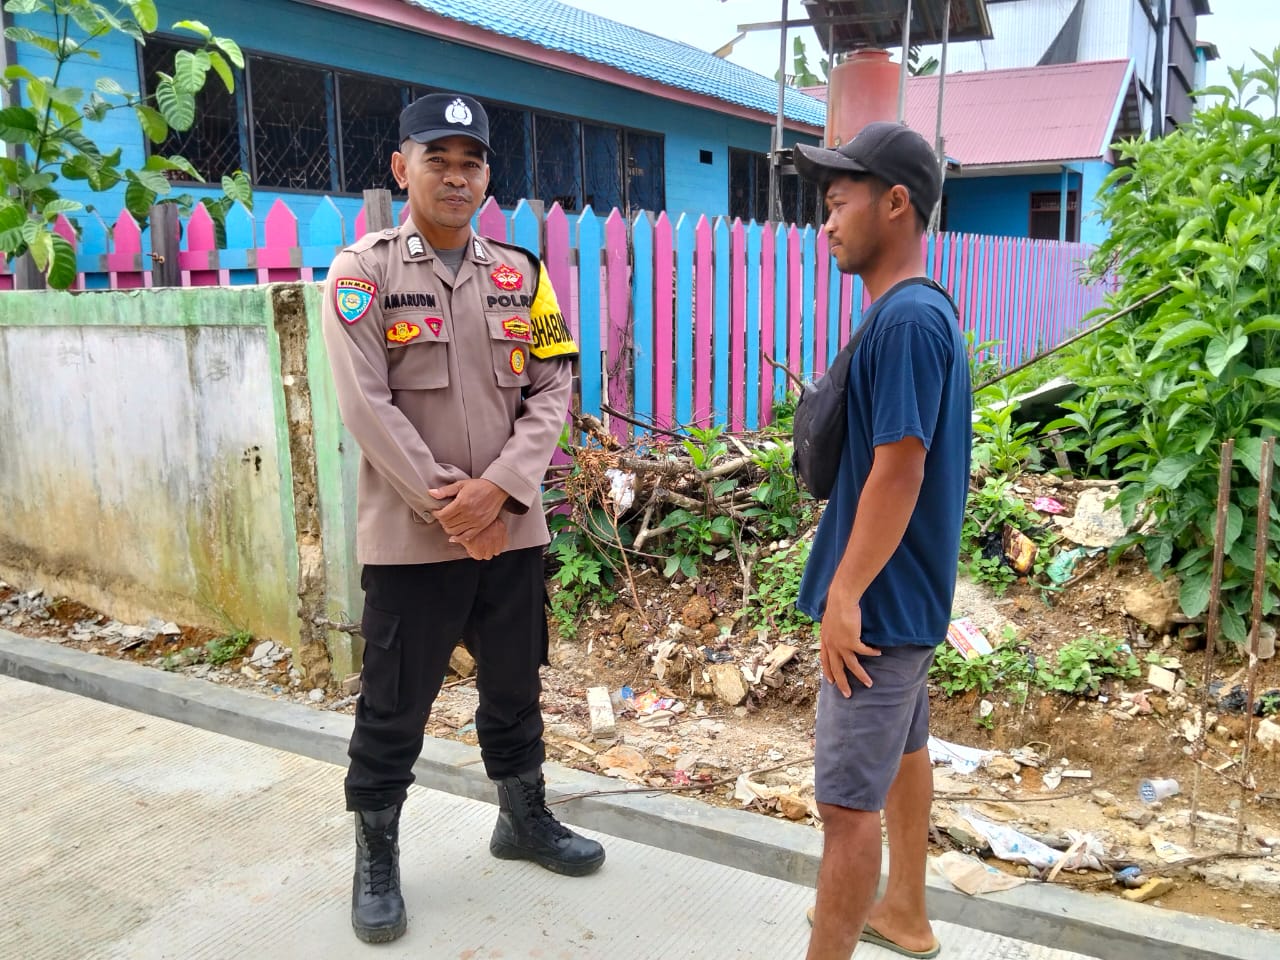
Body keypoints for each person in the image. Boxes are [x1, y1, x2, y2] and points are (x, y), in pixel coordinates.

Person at [321, 92, 604, 945]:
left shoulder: (523, 274)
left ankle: (523, 818)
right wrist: (454, 506)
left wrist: (501, 490)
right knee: (393, 704)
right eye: (436, 160)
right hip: (416, 539)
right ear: (400, 168)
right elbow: (366, 406)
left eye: (470, 162)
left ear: (487, 176)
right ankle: (376, 858)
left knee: (515, 685)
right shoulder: (362, 274)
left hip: (511, 529)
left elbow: (553, 385)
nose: (455, 177)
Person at [791, 122, 972, 960]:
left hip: (881, 612)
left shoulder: (904, 323)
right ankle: (903, 910)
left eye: (838, 203)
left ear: (896, 202)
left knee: (845, 807)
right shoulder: (922, 311)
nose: (826, 223)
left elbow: (899, 471)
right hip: (906, 600)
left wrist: (846, 592)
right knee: (905, 751)